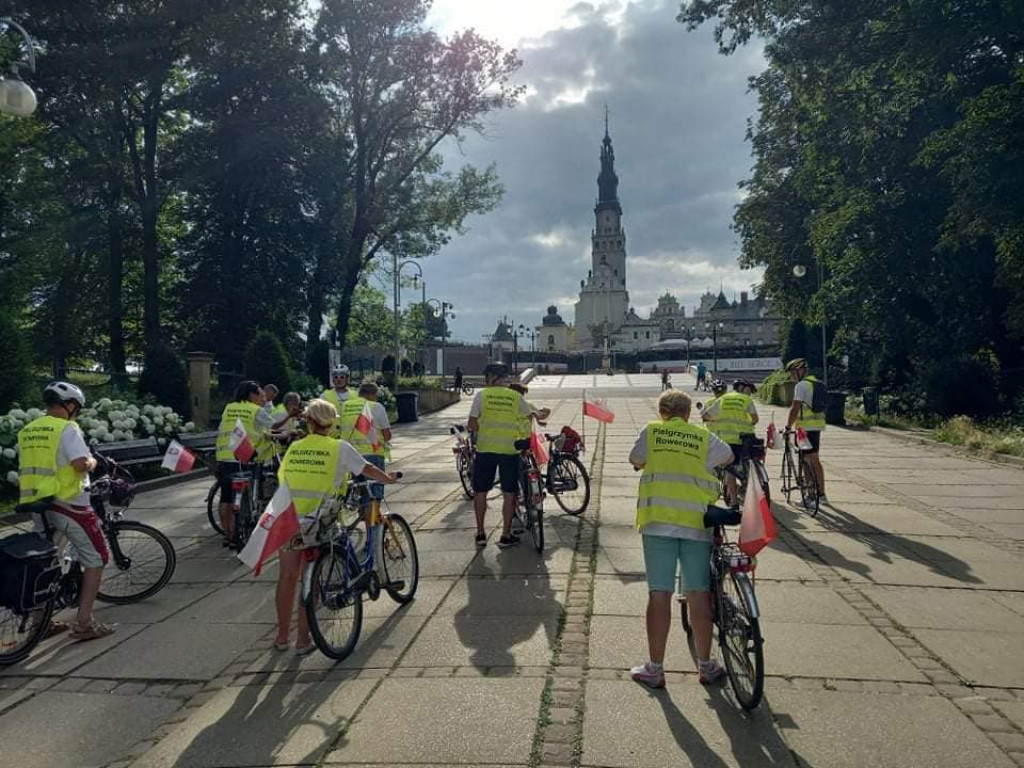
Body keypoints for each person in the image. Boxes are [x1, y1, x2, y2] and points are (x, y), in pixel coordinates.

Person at [274, 398, 399, 654]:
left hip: (288, 519)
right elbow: (367, 469)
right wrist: (388, 478)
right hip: (319, 522)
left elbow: (284, 478)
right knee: (315, 577)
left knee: (287, 577)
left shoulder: (295, 448)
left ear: (308, 422)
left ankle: (281, 637)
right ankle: (303, 641)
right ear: (332, 424)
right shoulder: (339, 447)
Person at [629, 390, 734, 689]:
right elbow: (728, 455)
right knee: (698, 593)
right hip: (695, 524)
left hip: (658, 523)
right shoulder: (703, 437)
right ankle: (706, 665)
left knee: (658, 593)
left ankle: (656, 669)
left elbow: (635, 459)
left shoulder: (652, 432)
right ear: (688, 413)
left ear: (662, 412)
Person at [16, 382, 113, 640]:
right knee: (97, 558)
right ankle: (84, 623)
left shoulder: (28, 430)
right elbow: (80, 463)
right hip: (70, 503)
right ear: (69, 405)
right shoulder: (67, 428)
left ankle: (40, 624)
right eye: (77, 409)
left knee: (47, 561)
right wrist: (92, 461)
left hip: (39, 505)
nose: (77, 413)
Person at [467, 363, 534, 548]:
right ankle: (505, 535)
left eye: (487, 376)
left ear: (492, 378)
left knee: (480, 492)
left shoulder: (482, 395)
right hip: (509, 450)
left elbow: (472, 423)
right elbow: (528, 418)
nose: (485, 380)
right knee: (509, 493)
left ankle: (480, 533)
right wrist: (520, 436)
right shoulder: (515, 396)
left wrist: (486, 430)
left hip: (485, 450)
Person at [215, 380, 275, 548]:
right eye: (258, 394)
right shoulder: (256, 410)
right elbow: (273, 425)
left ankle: (228, 536)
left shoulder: (229, 408)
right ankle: (244, 527)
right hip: (244, 457)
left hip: (224, 456)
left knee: (226, 497)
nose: (260, 397)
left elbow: (221, 428)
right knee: (246, 496)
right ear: (251, 395)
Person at [702, 379, 759, 506]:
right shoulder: (746, 399)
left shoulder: (723, 399)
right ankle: (752, 484)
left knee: (730, 470)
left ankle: (734, 502)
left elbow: (706, 416)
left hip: (728, 439)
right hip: (746, 438)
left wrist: (716, 420)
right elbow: (755, 419)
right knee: (747, 461)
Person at [338, 381, 393, 504]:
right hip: (372, 454)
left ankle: (361, 514)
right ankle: (372, 523)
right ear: (373, 394)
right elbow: (387, 435)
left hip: (350, 455)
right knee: (373, 495)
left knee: (359, 491)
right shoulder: (376, 407)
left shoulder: (345, 406)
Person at [785, 358, 827, 504]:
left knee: (808, 460)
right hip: (817, 427)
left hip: (804, 429)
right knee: (812, 459)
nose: (791, 376)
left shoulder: (801, 386)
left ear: (800, 370)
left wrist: (788, 426)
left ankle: (814, 495)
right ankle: (819, 494)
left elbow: (795, 408)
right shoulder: (816, 383)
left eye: (792, 372)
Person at [321, 365, 351, 435]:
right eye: (336, 377)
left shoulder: (356, 396)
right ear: (333, 379)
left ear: (347, 378)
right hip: (331, 437)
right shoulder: (324, 396)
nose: (339, 380)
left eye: (342, 377)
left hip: (350, 438)